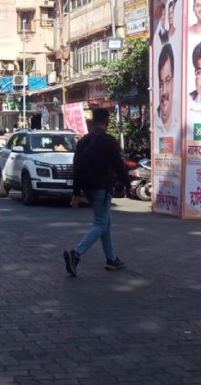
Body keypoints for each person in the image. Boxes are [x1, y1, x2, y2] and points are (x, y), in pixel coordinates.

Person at [64, 108, 131, 276]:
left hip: (88, 188)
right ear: (106, 121)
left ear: (92, 121)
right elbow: (118, 164)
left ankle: (111, 259)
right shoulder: (108, 141)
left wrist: (76, 192)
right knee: (101, 223)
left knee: (105, 223)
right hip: (102, 186)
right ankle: (76, 254)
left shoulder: (83, 141)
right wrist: (127, 184)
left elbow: (77, 167)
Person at [155, 43, 177, 142]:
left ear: (174, 81)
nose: (163, 92)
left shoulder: (182, 115)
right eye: (160, 84)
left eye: (167, 81)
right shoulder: (154, 121)